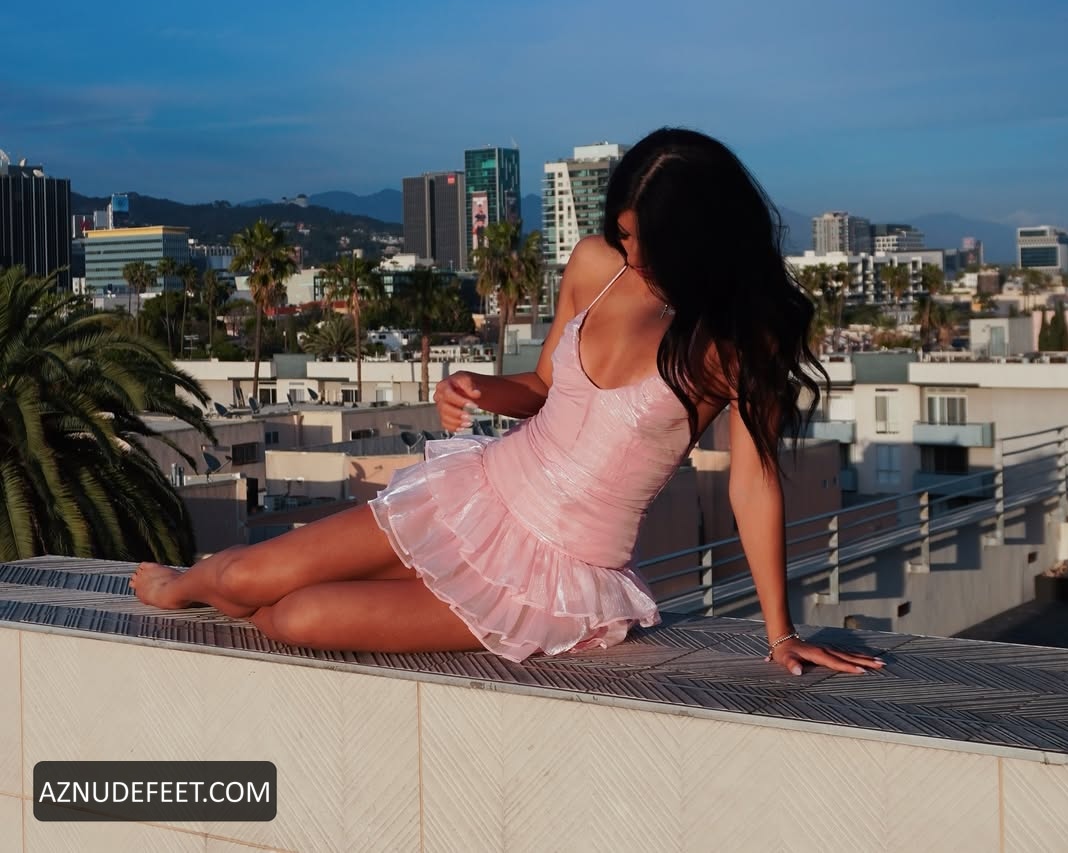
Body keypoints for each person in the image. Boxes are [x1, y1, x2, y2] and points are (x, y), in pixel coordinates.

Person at [132, 128, 883, 677]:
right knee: (240, 581)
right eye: (622, 232)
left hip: (555, 574)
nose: (630, 251)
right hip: (477, 495)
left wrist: (780, 633)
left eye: (644, 238)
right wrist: (476, 387)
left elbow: (753, 483)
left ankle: (229, 595)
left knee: (295, 615)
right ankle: (182, 585)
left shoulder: (738, 342)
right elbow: (546, 388)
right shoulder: (598, 266)